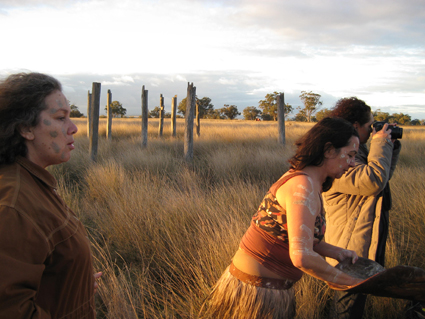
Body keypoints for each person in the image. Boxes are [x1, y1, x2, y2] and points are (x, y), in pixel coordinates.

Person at [200, 117, 363, 319]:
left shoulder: (308, 183)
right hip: (256, 294)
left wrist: (336, 252)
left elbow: (296, 238)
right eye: (350, 155)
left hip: (267, 292)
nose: (353, 163)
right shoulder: (302, 187)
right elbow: (302, 256)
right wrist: (347, 281)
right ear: (329, 150)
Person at [0, 72, 101, 318]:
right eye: (60, 118)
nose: (74, 128)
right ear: (25, 128)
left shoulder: (33, 181)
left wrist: (73, 283)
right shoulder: (13, 206)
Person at [323, 97, 402, 319]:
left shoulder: (355, 153)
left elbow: (381, 180)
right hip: (348, 248)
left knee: (352, 306)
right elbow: (372, 181)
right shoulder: (339, 158)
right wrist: (381, 143)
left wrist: (391, 148)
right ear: (355, 126)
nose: (373, 130)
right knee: (345, 309)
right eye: (370, 125)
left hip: (359, 242)